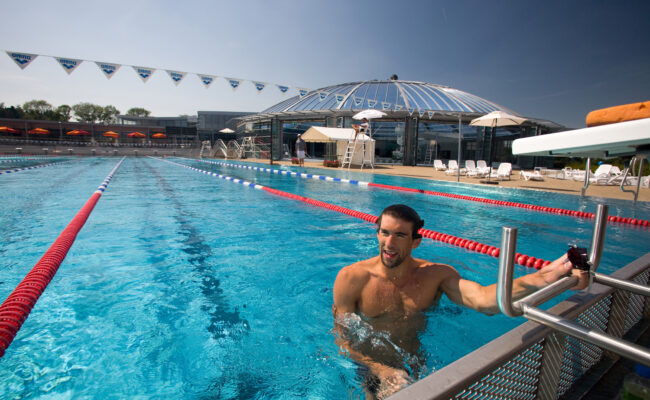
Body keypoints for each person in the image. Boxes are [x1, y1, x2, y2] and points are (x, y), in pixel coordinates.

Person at [332, 204, 589, 399]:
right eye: (384, 233)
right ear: (376, 233)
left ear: (416, 242)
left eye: (399, 235)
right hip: (371, 369)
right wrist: (379, 370)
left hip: (415, 364)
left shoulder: (436, 275)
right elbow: (342, 341)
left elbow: (484, 300)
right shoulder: (352, 278)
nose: (389, 243)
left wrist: (548, 277)